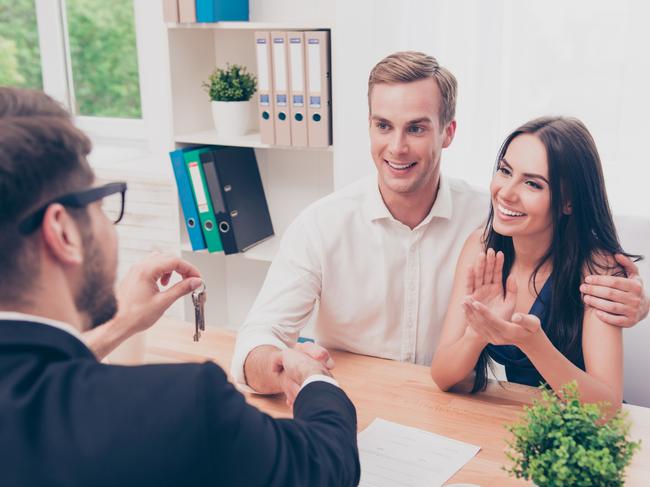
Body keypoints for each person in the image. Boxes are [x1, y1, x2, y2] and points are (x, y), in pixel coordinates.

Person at [232, 51, 649, 396]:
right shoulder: (323, 225)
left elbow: (603, 381)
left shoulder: (488, 223)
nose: (396, 147)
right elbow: (259, 334)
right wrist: (284, 366)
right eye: (383, 126)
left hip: (472, 417)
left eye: (416, 128)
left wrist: (640, 305)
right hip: (362, 399)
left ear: (447, 133)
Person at [0, 86, 360, 487]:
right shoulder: (180, 407)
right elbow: (321, 468)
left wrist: (121, 323)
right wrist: (316, 382)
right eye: (101, 203)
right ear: (63, 232)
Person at [430, 116, 641, 409]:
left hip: (579, 435)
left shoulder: (597, 268)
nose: (506, 192)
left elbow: (606, 408)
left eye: (532, 184)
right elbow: (443, 375)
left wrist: (533, 343)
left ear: (568, 202)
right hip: (517, 421)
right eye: (505, 171)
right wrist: (478, 333)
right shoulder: (481, 246)